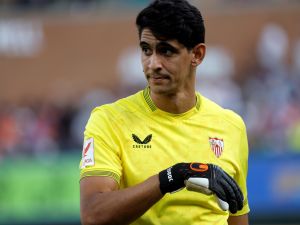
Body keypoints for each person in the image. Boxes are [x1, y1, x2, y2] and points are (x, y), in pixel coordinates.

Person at [79, 0, 250, 224]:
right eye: (146, 50)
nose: (153, 64)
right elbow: (93, 214)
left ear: (197, 55)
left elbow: (236, 216)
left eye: (166, 51)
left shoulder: (231, 126)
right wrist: (173, 177)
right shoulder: (109, 120)